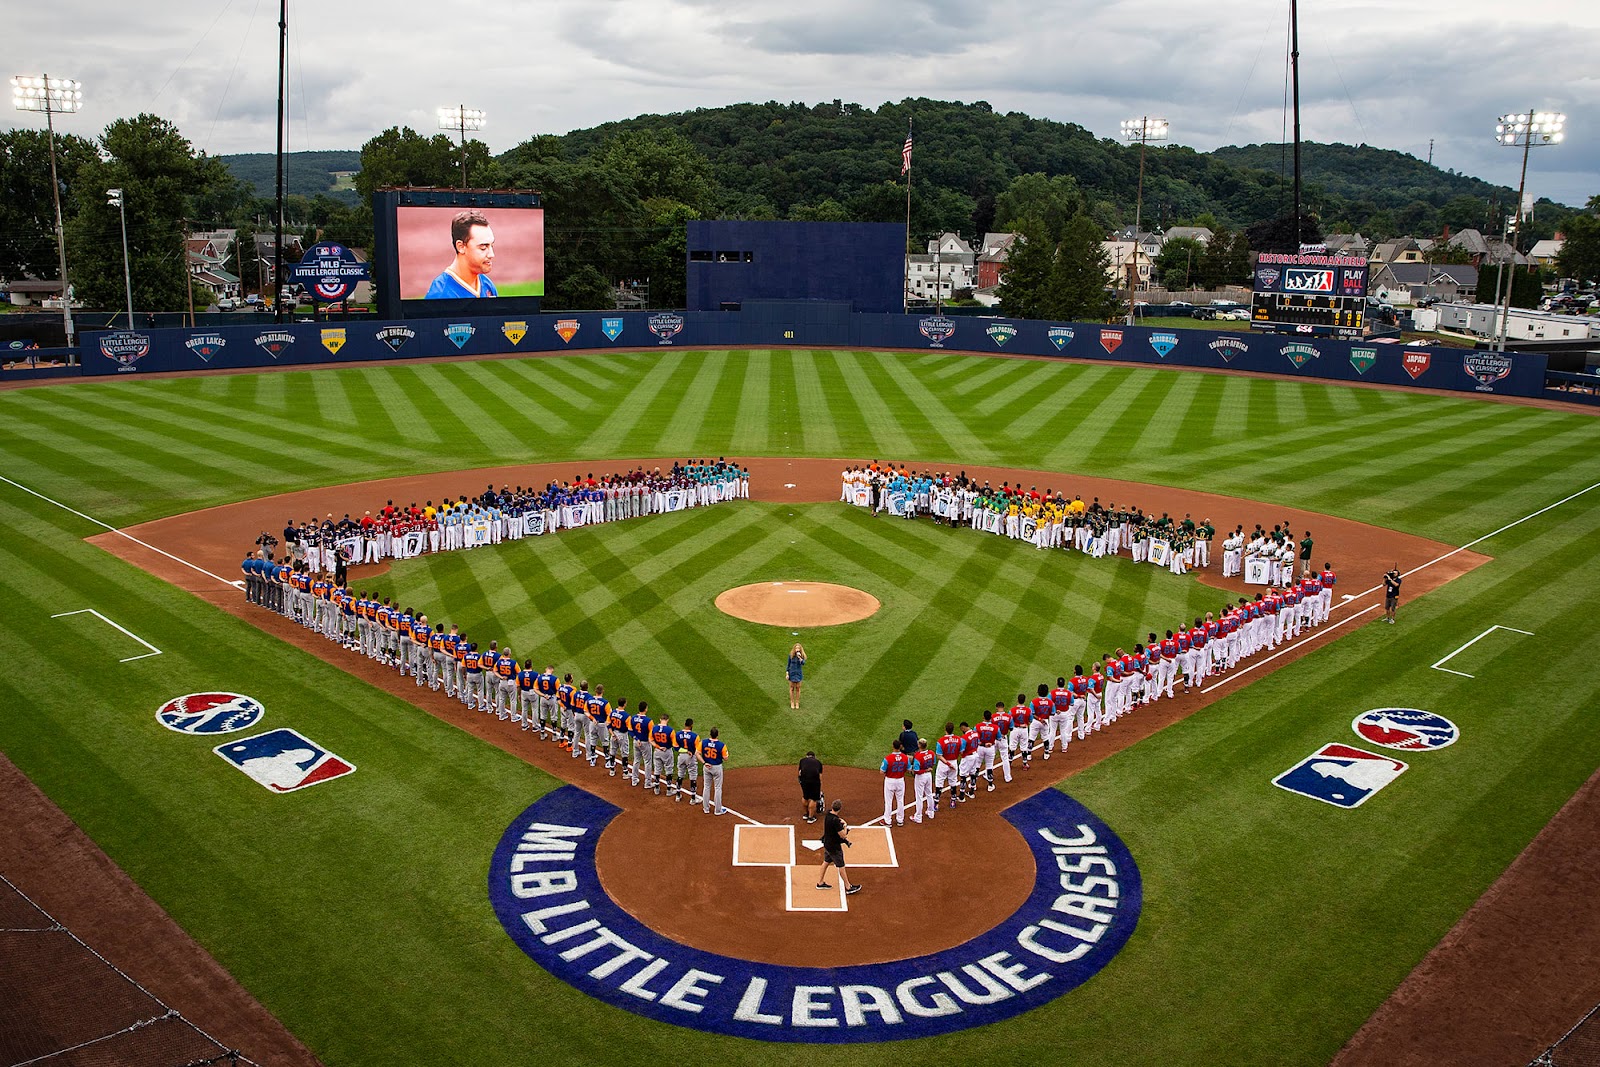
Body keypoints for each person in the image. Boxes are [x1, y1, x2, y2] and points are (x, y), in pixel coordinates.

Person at [425, 210, 498, 299]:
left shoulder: (487, 285)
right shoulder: (440, 295)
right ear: (461, 247)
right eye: (483, 247)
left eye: (492, 246)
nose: (491, 254)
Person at [817, 799, 861, 895]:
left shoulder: (828, 815)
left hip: (827, 844)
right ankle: (848, 887)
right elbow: (843, 835)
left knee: (826, 862)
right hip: (834, 847)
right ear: (839, 809)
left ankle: (820, 882)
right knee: (841, 866)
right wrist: (845, 826)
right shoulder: (835, 821)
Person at [699, 727, 727, 815]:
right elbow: (726, 758)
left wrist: (704, 762)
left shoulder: (703, 742)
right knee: (718, 788)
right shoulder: (721, 745)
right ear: (717, 734)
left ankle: (706, 808)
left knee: (706, 787)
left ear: (710, 734)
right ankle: (718, 810)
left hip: (707, 767)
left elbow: (697, 753)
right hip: (717, 767)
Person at [881, 740, 909, 827]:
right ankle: (900, 820)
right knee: (900, 800)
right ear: (900, 746)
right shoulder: (905, 757)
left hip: (890, 781)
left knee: (888, 801)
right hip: (900, 781)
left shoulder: (888, 758)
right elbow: (908, 769)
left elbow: (882, 771)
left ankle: (887, 821)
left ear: (893, 746)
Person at [798, 750, 824, 823]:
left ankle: (806, 814)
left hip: (804, 781)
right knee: (814, 798)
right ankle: (810, 818)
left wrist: (801, 781)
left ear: (807, 756)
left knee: (805, 796)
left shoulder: (802, 760)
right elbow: (820, 776)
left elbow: (800, 773)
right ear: (814, 757)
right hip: (814, 781)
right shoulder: (818, 762)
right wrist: (819, 785)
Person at [786, 643, 807, 710]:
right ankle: (792, 702)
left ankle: (797, 702)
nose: (797, 649)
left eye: (798, 648)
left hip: (798, 674)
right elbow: (788, 665)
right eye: (796, 648)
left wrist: (800, 658)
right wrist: (787, 673)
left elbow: (803, 663)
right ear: (794, 649)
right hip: (792, 673)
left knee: (798, 688)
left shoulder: (802, 656)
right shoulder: (791, 655)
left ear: (800, 649)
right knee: (792, 688)